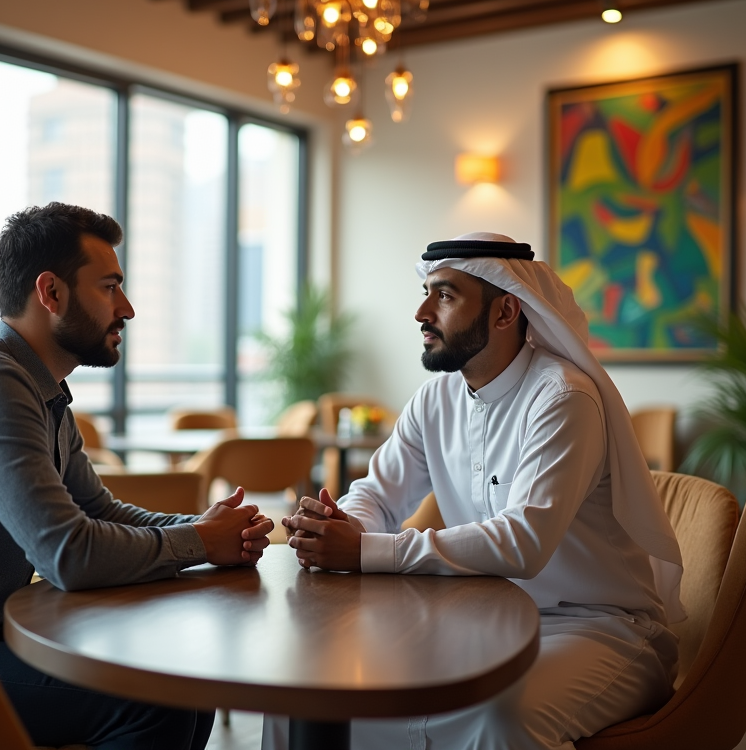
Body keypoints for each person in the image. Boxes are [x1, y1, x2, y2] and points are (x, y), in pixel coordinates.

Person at [0, 202, 274, 750]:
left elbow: (99, 511)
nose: (128, 308)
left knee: (185, 683)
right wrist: (198, 540)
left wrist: (210, 529)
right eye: (109, 287)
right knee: (153, 698)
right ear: (51, 294)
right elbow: (68, 554)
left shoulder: (40, 392)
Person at [264, 232, 685, 750]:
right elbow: (377, 492)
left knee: (497, 716)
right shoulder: (435, 399)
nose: (421, 311)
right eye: (425, 292)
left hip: (597, 629)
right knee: (303, 692)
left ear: (505, 311)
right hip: (477, 617)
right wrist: (345, 523)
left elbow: (523, 542)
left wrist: (366, 549)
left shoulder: (563, 399)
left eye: (444, 295)